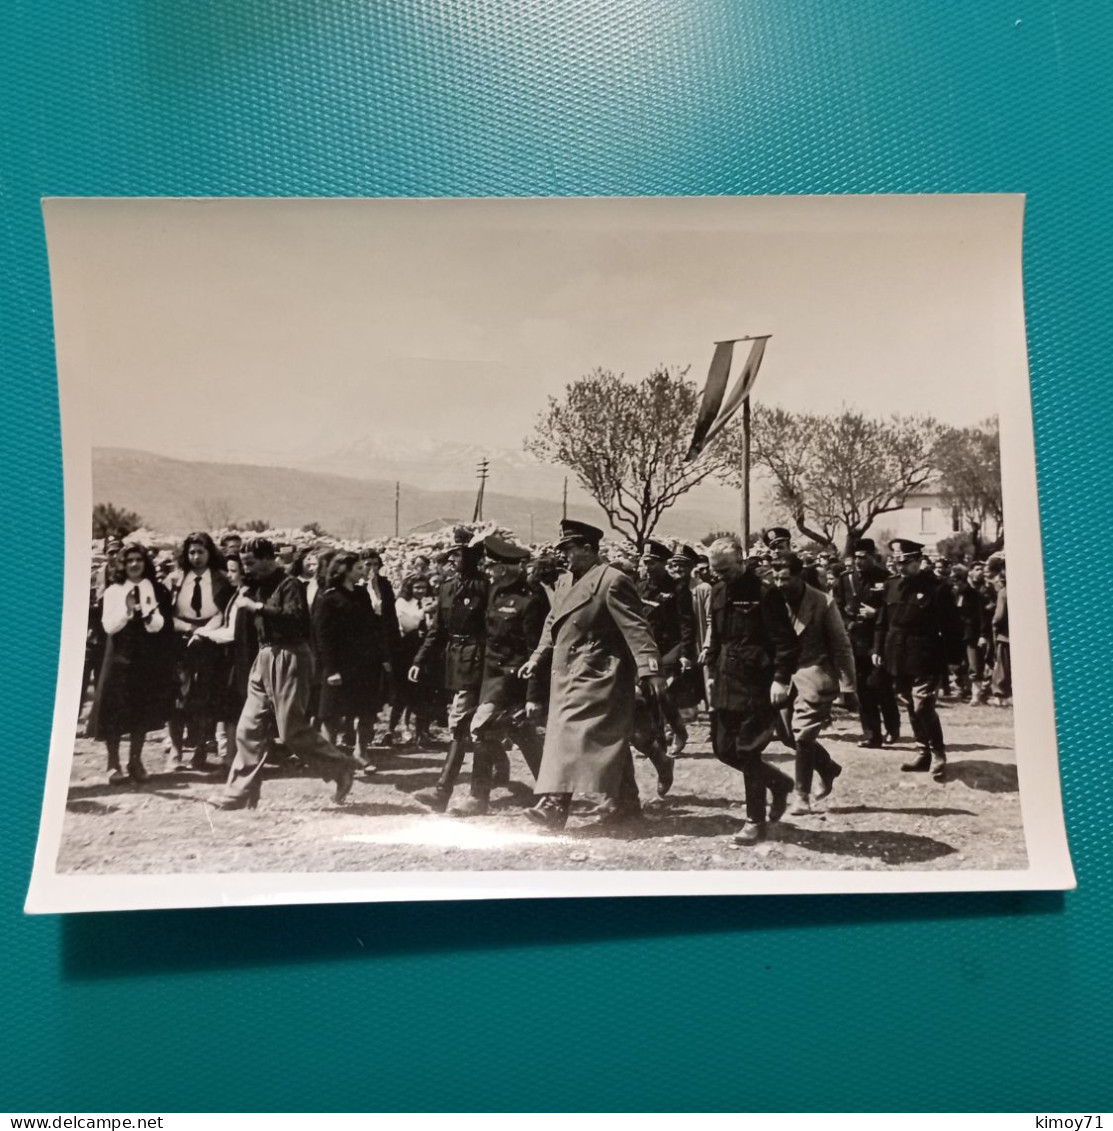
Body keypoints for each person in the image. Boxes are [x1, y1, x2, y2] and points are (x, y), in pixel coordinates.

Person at [518, 519, 665, 831]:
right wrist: (537, 656)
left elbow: (637, 627)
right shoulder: (564, 581)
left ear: (588, 548)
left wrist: (649, 669)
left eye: (569, 549)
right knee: (606, 741)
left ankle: (555, 805)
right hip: (567, 672)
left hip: (598, 672)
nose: (564, 556)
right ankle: (627, 804)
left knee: (570, 736)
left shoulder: (612, 580)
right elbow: (552, 621)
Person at [214, 538, 359, 810]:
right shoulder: (255, 586)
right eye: (244, 564)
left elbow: (296, 619)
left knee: (291, 730)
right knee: (248, 728)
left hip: (290, 655)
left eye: (251, 563)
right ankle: (239, 792)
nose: (247, 569)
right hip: (264, 656)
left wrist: (257, 607)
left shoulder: (289, 584)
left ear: (270, 559)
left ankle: (341, 765)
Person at [702, 538, 800, 845]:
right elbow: (717, 636)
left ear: (742, 562)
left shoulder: (765, 594)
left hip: (757, 683)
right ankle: (778, 782)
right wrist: (710, 670)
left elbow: (786, 643)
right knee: (722, 749)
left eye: (726, 570)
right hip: (725, 680)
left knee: (747, 750)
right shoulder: (718, 590)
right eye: (715, 570)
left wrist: (781, 680)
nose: (720, 576)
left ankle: (754, 821)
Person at [451, 536, 549, 817]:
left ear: (503, 569)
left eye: (492, 566)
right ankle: (550, 789)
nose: (489, 571)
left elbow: (536, 652)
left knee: (481, 729)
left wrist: (533, 695)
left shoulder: (531, 600)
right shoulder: (494, 592)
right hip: (490, 677)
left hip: (513, 679)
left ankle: (477, 798)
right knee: (522, 733)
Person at [768, 553, 857, 815]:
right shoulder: (771, 600)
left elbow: (841, 647)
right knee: (786, 736)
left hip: (814, 672)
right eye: (775, 578)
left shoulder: (822, 602)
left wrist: (849, 687)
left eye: (784, 578)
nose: (779, 583)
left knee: (804, 735)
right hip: (782, 676)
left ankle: (801, 796)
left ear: (798, 576)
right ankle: (828, 768)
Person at [409, 529, 489, 813]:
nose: (452, 559)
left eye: (458, 554)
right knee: (485, 728)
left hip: (479, 661)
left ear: (471, 556)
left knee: (463, 726)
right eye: (451, 554)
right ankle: (544, 786)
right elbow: (437, 631)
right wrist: (419, 660)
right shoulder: (446, 587)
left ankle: (446, 792)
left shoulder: (484, 587)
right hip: (454, 663)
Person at [873, 538, 963, 781]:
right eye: (896, 562)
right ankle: (922, 751)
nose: (899, 567)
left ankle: (938, 753)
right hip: (897, 654)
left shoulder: (938, 588)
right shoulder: (891, 586)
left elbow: (953, 626)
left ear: (917, 561)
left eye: (904, 562)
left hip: (926, 653)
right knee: (909, 702)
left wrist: (955, 660)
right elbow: (882, 622)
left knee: (922, 703)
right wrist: (877, 649)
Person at [88, 543, 175, 785]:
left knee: (141, 707)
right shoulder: (114, 591)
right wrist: (127, 612)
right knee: (115, 708)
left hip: (144, 654)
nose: (135, 564)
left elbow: (158, 623)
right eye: (129, 561)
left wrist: (149, 616)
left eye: (138, 560)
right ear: (122, 565)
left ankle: (135, 760)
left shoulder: (149, 587)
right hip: (119, 654)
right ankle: (113, 763)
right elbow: (108, 626)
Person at [165, 532, 234, 772]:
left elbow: (224, 612)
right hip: (180, 641)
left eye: (201, 552)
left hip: (210, 641)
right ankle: (175, 751)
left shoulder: (221, 579)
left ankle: (201, 751)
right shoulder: (175, 579)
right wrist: (189, 629)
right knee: (177, 696)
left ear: (209, 553)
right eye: (192, 552)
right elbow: (167, 613)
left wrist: (203, 632)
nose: (196, 557)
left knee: (205, 695)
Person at [313, 552, 387, 770]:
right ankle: (331, 759)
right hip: (338, 665)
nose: (363, 571)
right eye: (359, 568)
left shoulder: (362, 594)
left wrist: (377, 612)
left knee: (366, 711)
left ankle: (361, 753)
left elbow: (370, 627)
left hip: (364, 664)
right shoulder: (329, 598)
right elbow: (323, 637)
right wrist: (331, 669)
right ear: (345, 570)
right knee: (332, 715)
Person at [837, 538, 902, 748]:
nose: (858, 562)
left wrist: (876, 614)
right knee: (863, 690)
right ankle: (872, 734)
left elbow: (894, 610)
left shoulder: (887, 579)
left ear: (873, 557)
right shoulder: (846, 579)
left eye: (863, 558)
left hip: (878, 640)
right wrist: (847, 623)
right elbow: (837, 607)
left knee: (881, 687)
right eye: (856, 558)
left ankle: (892, 728)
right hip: (855, 641)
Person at [388, 574, 439, 745]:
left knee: (422, 692)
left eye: (423, 588)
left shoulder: (428, 601)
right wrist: (423, 612)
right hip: (406, 651)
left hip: (422, 650)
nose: (420, 591)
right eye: (417, 588)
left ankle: (421, 731)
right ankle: (394, 728)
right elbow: (407, 624)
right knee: (404, 692)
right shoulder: (402, 603)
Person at [951, 564, 989, 702]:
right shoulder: (952, 594)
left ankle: (976, 694)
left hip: (972, 635)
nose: (956, 585)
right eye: (953, 582)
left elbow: (982, 616)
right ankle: (962, 689)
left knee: (975, 664)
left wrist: (983, 635)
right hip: (956, 635)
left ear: (964, 580)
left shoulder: (974, 595)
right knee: (959, 665)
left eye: (958, 581)